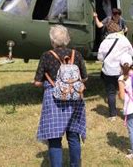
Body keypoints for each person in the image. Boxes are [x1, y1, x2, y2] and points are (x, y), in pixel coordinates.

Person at [34, 25, 88, 167]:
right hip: (74, 98)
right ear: (67, 39)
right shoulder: (76, 55)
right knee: (73, 135)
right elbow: (85, 78)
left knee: (54, 137)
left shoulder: (46, 56)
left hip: (53, 99)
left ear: (52, 40)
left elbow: (37, 82)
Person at [97, 21, 133, 120]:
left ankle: (113, 115)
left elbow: (100, 57)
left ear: (108, 30)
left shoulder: (105, 41)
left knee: (111, 92)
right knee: (126, 91)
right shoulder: (124, 40)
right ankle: (128, 111)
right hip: (122, 70)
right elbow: (131, 53)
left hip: (108, 71)